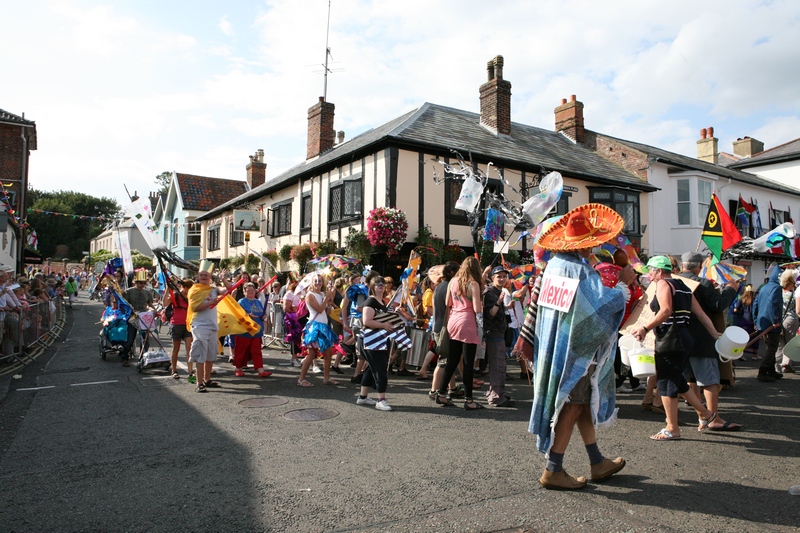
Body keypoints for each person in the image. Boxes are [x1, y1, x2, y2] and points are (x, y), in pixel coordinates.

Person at [522, 204, 631, 490]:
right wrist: (622, 285)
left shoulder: (555, 265)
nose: (593, 249)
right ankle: (553, 469)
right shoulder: (577, 270)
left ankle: (597, 461)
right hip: (575, 351)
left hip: (558, 345)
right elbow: (597, 310)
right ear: (581, 246)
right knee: (571, 406)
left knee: (581, 404)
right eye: (591, 244)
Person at [632, 256, 721, 440]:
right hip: (684, 338)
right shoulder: (684, 286)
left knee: (665, 382)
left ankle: (672, 427)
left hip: (670, 338)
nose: (649, 275)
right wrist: (714, 333)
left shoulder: (664, 284)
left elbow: (665, 310)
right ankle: (704, 413)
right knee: (676, 379)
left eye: (651, 270)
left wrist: (645, 328)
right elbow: (700, 313)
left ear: (659, 270)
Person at [676, 252, 741, 431]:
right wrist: (731, 290)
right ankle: (713, 418)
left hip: (677, 338)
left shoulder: (671, 282)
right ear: (699, 266)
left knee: (686, 379)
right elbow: (718, 304)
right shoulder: (702, 283)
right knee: (709, 380)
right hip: (701, 339)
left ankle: (687, 418)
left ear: (682, 265)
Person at [436, 256, 484, 410]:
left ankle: (441, 394)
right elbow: (477, 309)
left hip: (453, 321)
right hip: (467, 322)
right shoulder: (473, 284)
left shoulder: (453, 281)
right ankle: (469, 400)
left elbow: (447, 303)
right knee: (468, 363)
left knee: (452, 360)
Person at [187, 269, 232, 392]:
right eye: (201, 275)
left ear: (210, 277)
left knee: (210, 355)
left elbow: (227, 290)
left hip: (212, 326)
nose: (203, 277)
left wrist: (223, 279)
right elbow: (194, 307)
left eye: (206, 275)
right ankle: (199, 383)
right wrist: (210, 303)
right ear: (198, 276)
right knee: (201, 355)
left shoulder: (213, 289)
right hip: (199, 326)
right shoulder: (194, 290)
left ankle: (207, 380)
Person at [357, 277, 398, 410]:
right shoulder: (370, 301)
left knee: (371, 368)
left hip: (377, 340)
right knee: (380, 368)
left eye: (383, 284)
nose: (381, 286)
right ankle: (381, 400)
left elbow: (381, 318)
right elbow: (367, 321)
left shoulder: (381, 302)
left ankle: (362, 397)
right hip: (370, 340)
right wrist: (383, 325)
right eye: (377, 284)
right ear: (372, 287)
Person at [296, 273, 338, 387]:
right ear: (312, 282)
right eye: (315, 281)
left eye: (320, 281)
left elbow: (327, 312)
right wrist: (326, 298)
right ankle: (301, 379)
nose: (318, 283)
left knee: (328, 353)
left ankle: (326, 378)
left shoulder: (323, 294)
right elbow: (319, 310)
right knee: (312, 354)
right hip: (315, 326)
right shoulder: (310, 295)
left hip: (324, 326)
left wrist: (329, 303)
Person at [484, 265, 515, 408]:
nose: (502, 279)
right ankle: (496, 397)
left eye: (504, 276)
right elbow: (490, 314)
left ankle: (495, 392)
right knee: (498, 366)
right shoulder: (490, 293)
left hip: (499, 333)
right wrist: (498, 302)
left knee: (498, 365)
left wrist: (507, 307)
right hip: (494, 333)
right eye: (499, 276)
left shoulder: (498, 291)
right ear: (492, 278)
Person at [753, 266, 785, 382]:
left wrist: (756, 320)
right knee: (772, 348)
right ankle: (763, 370)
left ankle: (771, 370)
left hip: (762, 321)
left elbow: (755, 304)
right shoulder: (776, 288)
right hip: (771, 323)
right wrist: (775, 320)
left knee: (769, 347)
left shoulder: (764, 287)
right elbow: (773, 305)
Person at [233, 282, 272, 378]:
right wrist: (248, 315)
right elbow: (238, 315)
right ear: (244, 292)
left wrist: (264, 316)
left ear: (255, 291)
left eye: (252, 290)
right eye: (248, 290)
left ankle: (260, 370)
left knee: (257, 351)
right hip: (245, 331)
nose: (250, 292)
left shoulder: (257, 302)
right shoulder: (241, 302)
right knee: (241, 351)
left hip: (257, 331)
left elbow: (261, 313)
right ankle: (238, 368)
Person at [161, 278, 195, 381]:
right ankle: (174, 370)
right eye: (189, 288)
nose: (191, 290)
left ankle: (190, 372)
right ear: (184, 288)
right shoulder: (176, 295)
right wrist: (167, 289)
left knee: (189, 348)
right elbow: (165, 303)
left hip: (188, 324)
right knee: (176, 348)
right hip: (176, 324)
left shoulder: (190, 296)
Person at [776, 270, 799, 374]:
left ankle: (777, 366)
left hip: (779, 320)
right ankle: (786, 364)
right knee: (789, 343)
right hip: (790, 319)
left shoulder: (779, 293)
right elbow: (797, 309)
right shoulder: (793, 295)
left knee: (780, 344)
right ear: (790, 282)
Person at [732, 284, 757, 359]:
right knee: (755, 339)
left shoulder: (741, 299)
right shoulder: (755, 299)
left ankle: (741, 354)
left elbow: (736, 309)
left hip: (743, 321)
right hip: (752, 321)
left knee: (742, 339)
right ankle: (755, 355)